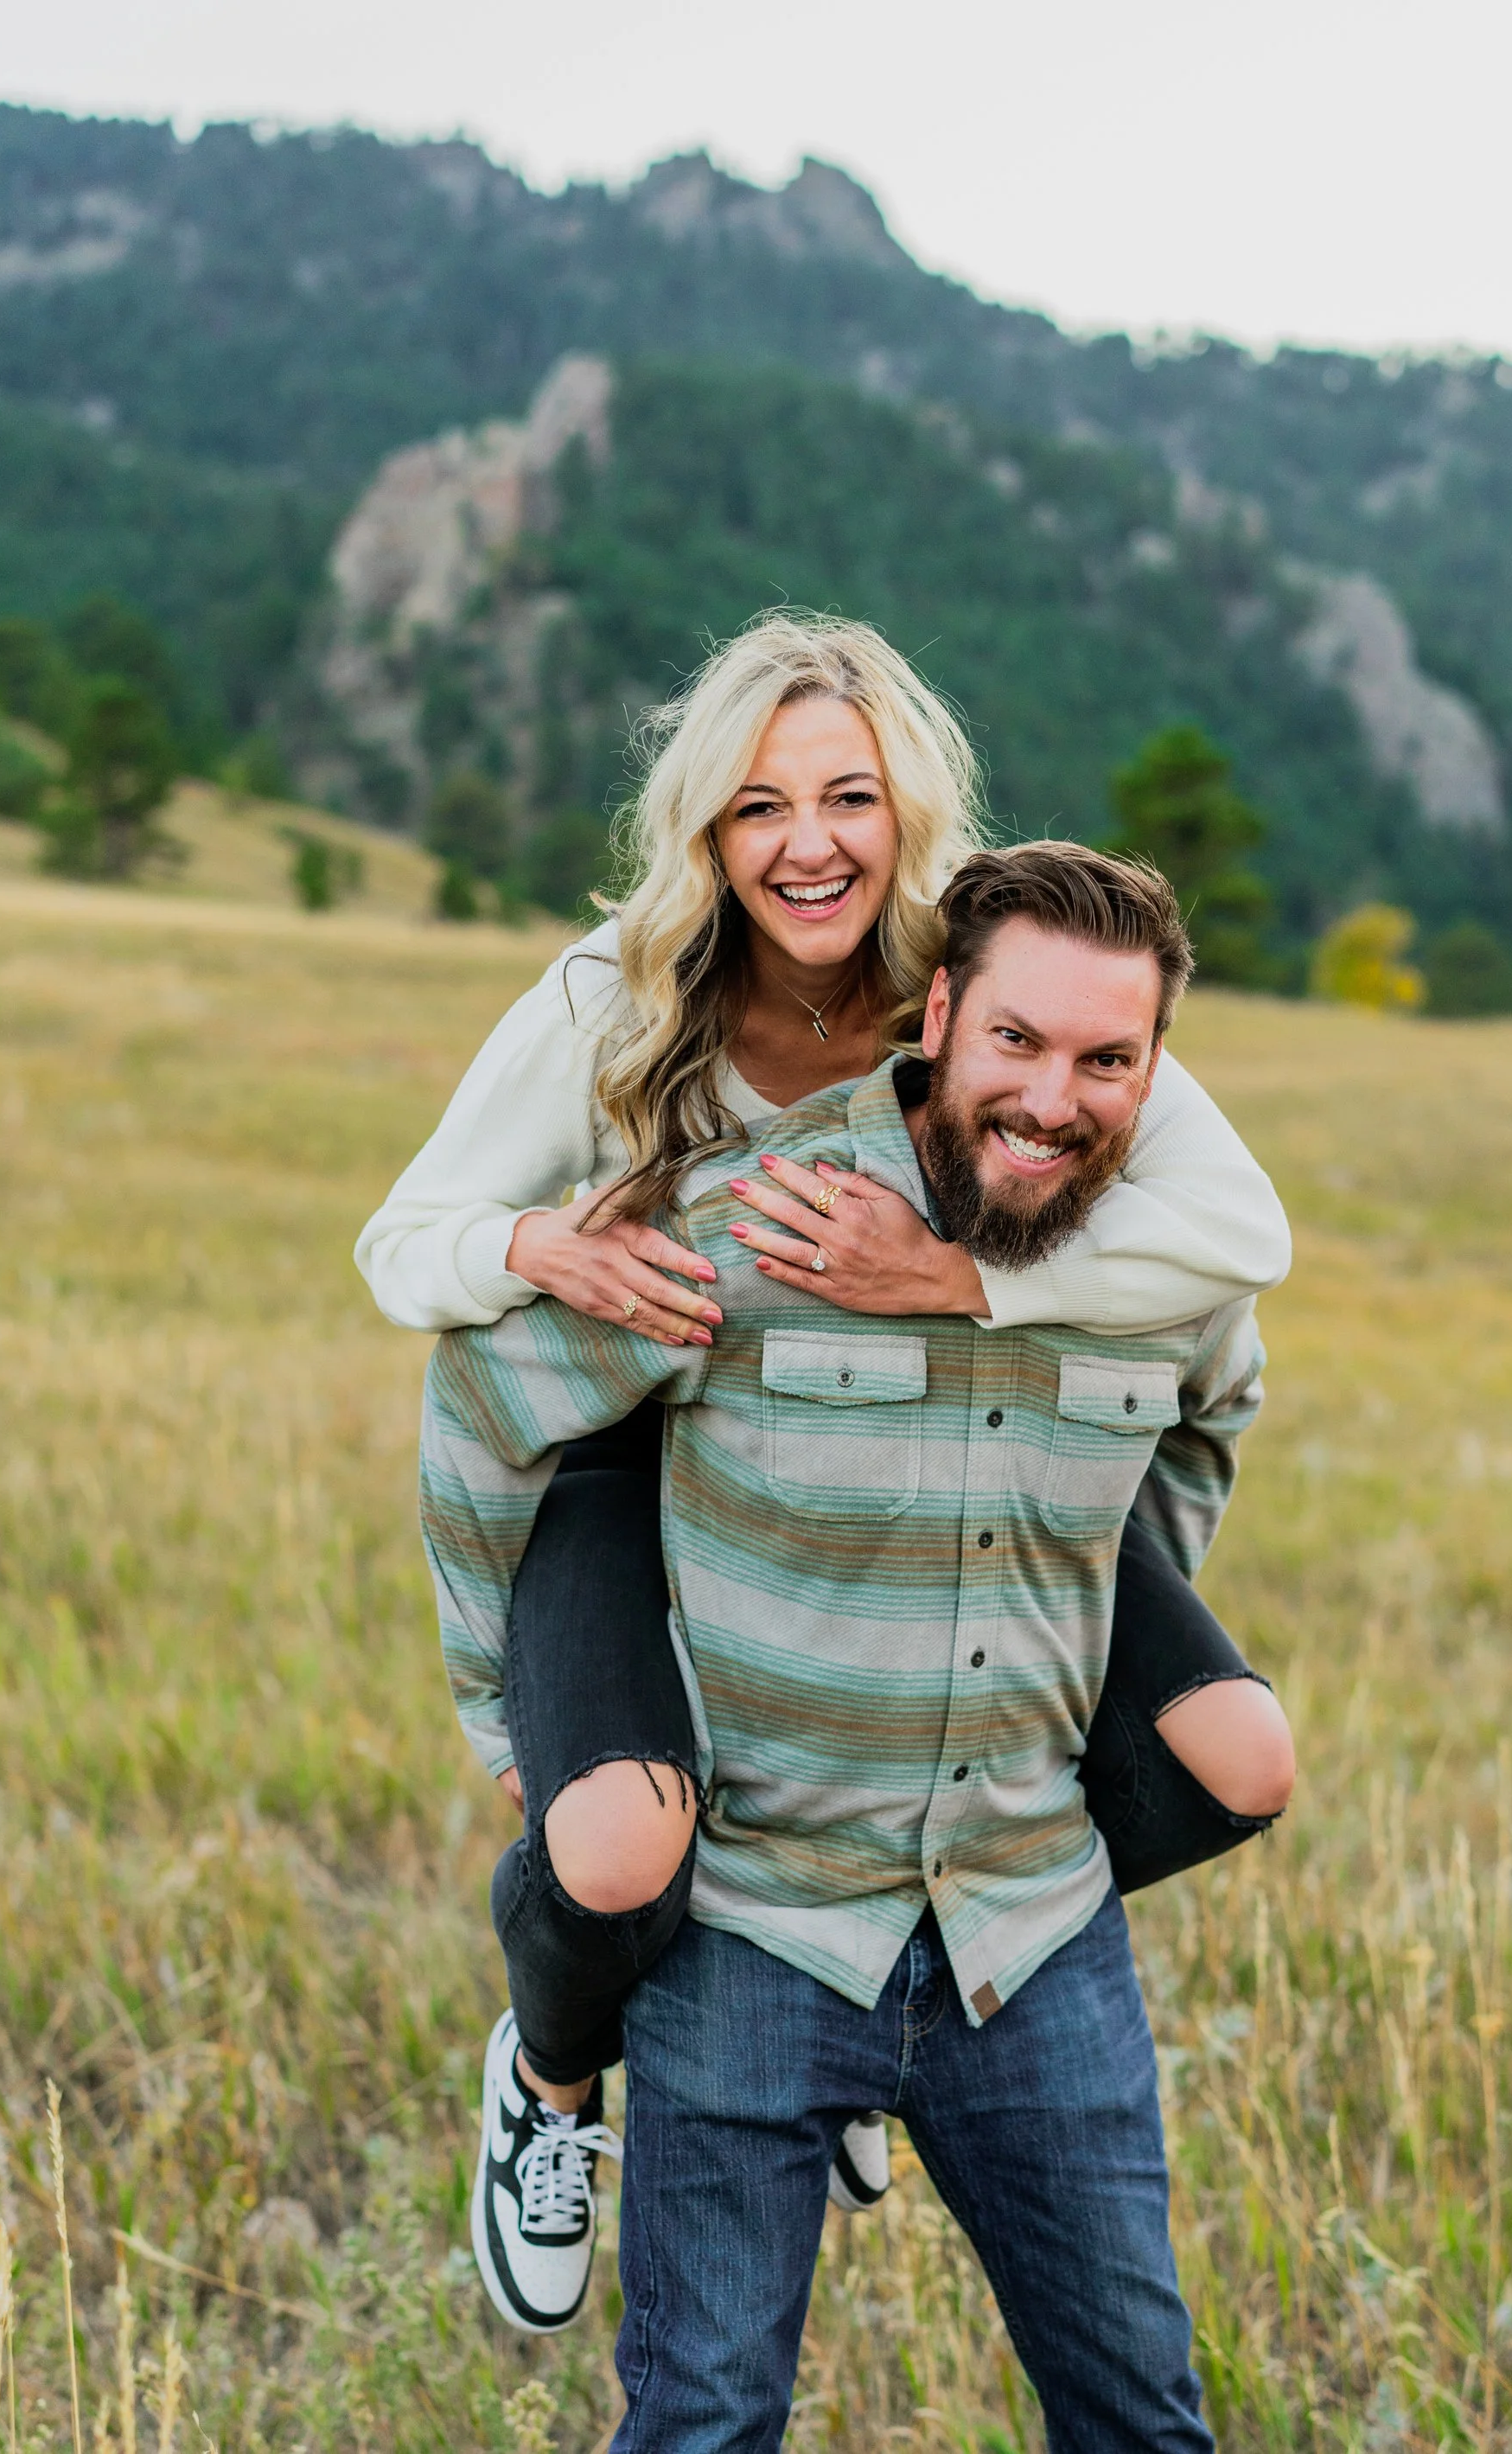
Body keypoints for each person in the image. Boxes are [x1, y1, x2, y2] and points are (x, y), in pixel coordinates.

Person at [357, 612, 1292, 2330]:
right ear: (703, 830)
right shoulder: (610, 993)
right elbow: (396, 1253)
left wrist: (967, 1280)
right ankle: (552, 2076)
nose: (807, 845)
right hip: (636, 1443)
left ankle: (881, 1994)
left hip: (931, 1446)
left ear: (907, 804)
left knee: (1232, 1756)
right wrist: (537, 1239)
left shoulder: (989, 985)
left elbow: (1236, 1232)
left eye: (846, 796)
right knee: (620, 1852)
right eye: (755, 806)